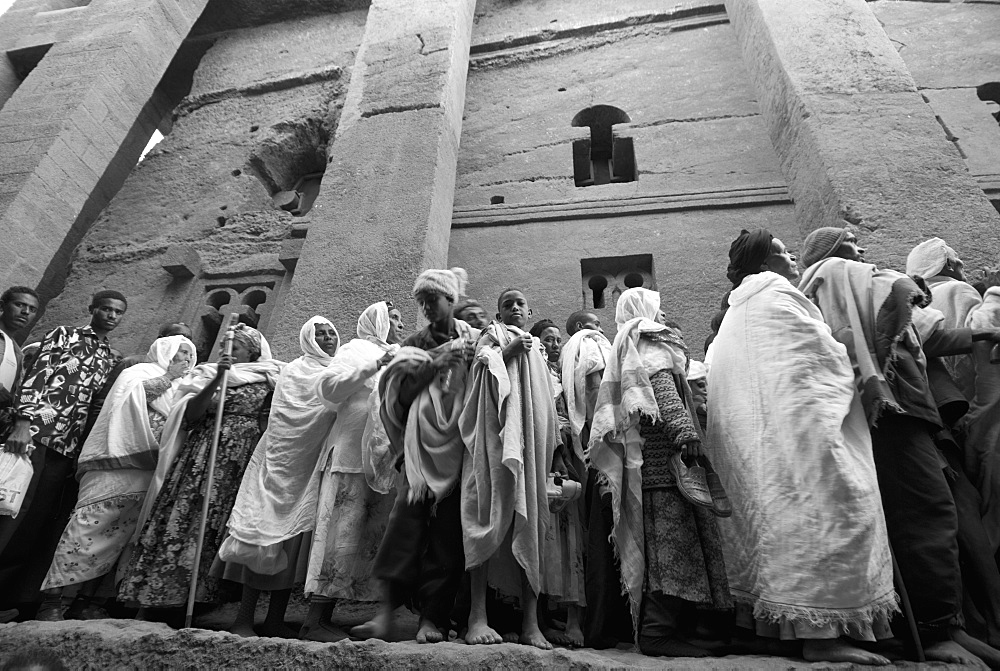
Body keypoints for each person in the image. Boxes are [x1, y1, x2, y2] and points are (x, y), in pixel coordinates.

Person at [800, 243, 1000, 668]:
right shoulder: (842, 277)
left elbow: (933, 336)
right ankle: (935, 630)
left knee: (928, 513)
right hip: (890, 409)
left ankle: (945, 626)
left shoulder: (846, 290)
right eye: (853, 247)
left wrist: (985, 333)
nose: (863, 255)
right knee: (927, 513)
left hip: (896, 409)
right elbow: (912, 314)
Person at [709, 229, 896, 665]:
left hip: (758, 451)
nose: (793, 257)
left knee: (773, 531)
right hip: (801, 438)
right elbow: (815, 357)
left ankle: (780, 630)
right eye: (783, 251)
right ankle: (822, 636)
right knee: (825, 519)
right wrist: (849, 349)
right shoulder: (777, 296)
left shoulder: (737, 313)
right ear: (765, 263)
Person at [589, 287, 730, 658]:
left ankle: (676, 627)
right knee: (672, 548)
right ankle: (657, 631)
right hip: (665, 467)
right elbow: (663, 392)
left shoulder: (627, 342)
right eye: (658, 309)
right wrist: (685, 435)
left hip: (650, 466)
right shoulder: (649, 341)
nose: (663, 316)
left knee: (667, 545)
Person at [117, 324, 283, 609]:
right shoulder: (206, 374)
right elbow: (190, 415)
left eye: (235, 347)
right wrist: (218, 377)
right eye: (223, 347)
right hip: (204, 454)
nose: (225, 352)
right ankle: (156, 597)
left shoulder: (270, 376)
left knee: (223, 520)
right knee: (188, 512)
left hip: (242, 458)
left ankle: (206, 599)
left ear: (252, 351)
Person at [353, 269, 477, 643]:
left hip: (461, 450)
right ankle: (384, 616)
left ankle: (431, 619)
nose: (425, 307)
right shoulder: (414, 343)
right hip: (418, 453)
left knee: (448, 539)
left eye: (432, 300)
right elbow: (397, 398)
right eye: (421, 302)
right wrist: (433, 365)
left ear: (451, 300)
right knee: (403, 530)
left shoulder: (474, 341)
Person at [36, 335, 196, 620]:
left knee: (121, 537)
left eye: (189, 354)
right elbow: (131, 401)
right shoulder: (137, 373)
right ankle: (52, 602)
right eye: (180, 353)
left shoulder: (187, 385)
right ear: (164, 351)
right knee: (85, 529)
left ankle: (87, 602)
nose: (185, 359)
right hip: (112, 465)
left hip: (151, 469)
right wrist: (169, 377)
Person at [0, 290, 126, 617]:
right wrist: (23, 423)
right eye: (106, 309)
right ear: (93, 309)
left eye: (118, 312)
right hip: (35, 434)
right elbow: (39, 376)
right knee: (10, 511)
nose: (111, 316)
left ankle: (9, 599)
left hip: (66, 445)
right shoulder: (65, 335)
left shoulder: (110, 357)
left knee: (36, 521)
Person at [213, 317, 339, 639]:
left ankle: (274, 619)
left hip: (309, 465)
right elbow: (286, 410)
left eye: (331, 333)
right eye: (319, 334)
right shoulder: (294, 369)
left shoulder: (338, 370)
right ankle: (242, 619)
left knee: (290, 544)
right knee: (258, 535)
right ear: (307, 339)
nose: (327, 338)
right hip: (277, 461)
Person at [460, 288, 558, 650]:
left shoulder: (538, 349)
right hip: (493, 444)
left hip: (529, 447)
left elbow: (547, 403)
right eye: (507, 305)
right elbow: (480, 373)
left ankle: (531, 623)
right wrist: (505, 353)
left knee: (531, 521)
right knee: (486, 518)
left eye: (520, 303)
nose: (515, 308)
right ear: (499, 313)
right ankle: (477, 617)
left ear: (529, 309)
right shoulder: (492, 337)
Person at [301, 303, 402, 642]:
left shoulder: (398, 353)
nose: (399, 324)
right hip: (349, 456)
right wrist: (375, 365)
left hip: (383, 458)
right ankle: (314, 620)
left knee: (369, 538)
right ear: (378, 321)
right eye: (395, 319)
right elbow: (329, 390)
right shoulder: (355, 349)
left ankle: (356, 616)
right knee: (339, 536)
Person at [529, 318, 586, 648]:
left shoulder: (563, 373)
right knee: (544, 534)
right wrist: (555, 452)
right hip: (546, 453)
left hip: (569, 452)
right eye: (547, 339)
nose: (554, 344)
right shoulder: (537, 373)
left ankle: (573, 620)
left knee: (571, 534)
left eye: (557, 339)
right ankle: (537, 617)